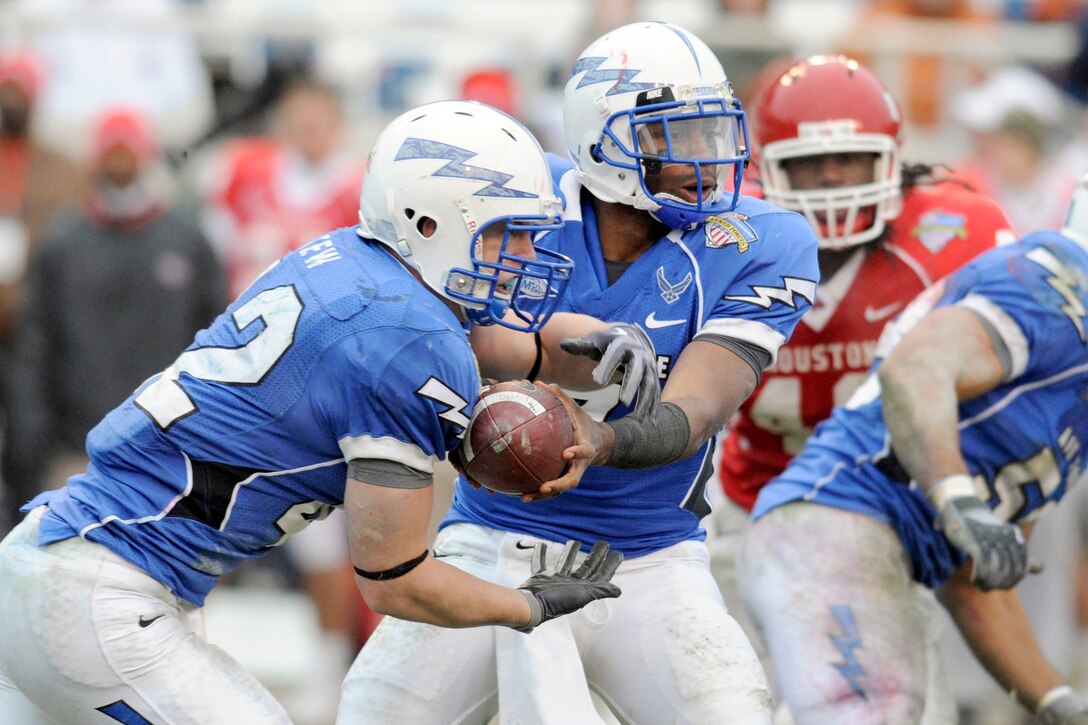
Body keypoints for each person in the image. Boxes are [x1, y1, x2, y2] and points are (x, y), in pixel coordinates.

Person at [0, 100, 639, 724]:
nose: (525, 256)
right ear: (427, 223)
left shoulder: (353, 258)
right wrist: (525, 607)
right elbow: (395, 579)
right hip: (100, 598)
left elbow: (503, 344)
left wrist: (606, 340)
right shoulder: (411, 345)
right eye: (507, 231)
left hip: (56, 554)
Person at [339, 21, 819, 724]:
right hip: (490, 539)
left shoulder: (759, 241)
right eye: (671, 136)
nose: (703, 159)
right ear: (603, 136)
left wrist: (601, 438)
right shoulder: (519, 199)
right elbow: (439, 329)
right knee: (374, 714)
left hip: (650, 558)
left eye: (710, 133)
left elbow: (696, 411)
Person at [706, 55, 1014, 694]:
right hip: (752, 505)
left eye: (849, 159)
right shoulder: (731, 236)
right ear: (766, 168)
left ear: (893, 158)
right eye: (809, 164)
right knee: (739, 697)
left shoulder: (956, 231)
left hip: (885, 518)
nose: (831, 180)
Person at [738, 170, 1088, 724]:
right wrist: (959, 502)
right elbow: (917, 370)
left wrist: (1056, 702)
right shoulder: (1061, 287)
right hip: (832, 529)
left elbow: (977, 577)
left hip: (880, 560)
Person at [1, 106, 229, 523]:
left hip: (169, 448)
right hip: (78, 446)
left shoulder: (186, 239)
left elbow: (219, 340)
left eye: (128, 151)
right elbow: (34, 345)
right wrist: (33, 434)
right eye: (111, 151)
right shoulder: (64, 242)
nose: (120, 162)